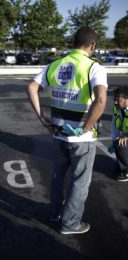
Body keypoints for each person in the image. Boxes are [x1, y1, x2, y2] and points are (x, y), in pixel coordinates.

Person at [27, 26, 107, 235]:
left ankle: (55, 213)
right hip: (82, 137)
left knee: (58, 175)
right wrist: (86, 128)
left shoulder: (55, 64)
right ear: (93, 45)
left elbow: (31, 87)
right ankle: (70, 223)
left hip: (57, 132)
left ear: (73, 43)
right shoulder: (93, 67)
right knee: (79, 181)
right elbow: (101, 100)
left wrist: (41, 118)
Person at [108, 86, 128, 181]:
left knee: (121, 144)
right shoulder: (117, 109)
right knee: (118, 144)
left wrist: (126, 136)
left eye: (118, 100)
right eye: (114, 99)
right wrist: (114, 142)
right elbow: (114, 127)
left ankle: (126, 172)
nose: (115, 102)